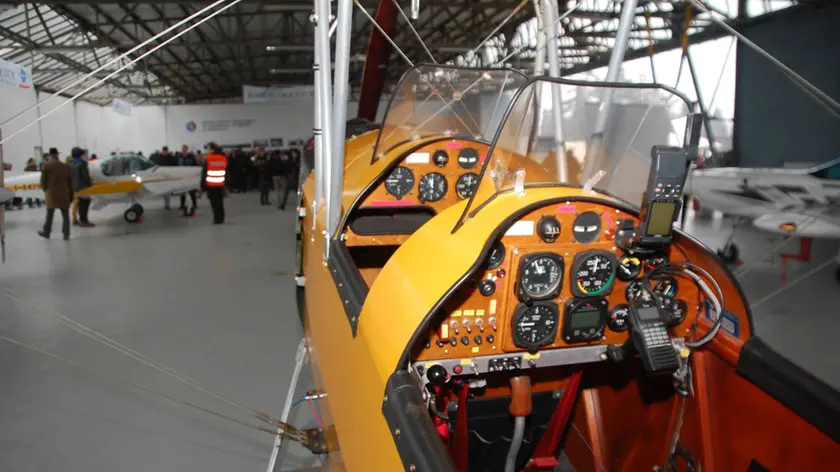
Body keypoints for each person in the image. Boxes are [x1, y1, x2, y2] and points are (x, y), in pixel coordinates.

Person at [37, 148, 73, 240]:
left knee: (49, 215)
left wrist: (46, 190)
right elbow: (70, 182)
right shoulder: (65, 166)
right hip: (64, 193)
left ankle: (46, 232)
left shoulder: (46, 166)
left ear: (49, 155)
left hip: (51, 194)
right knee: (65, 216)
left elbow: (43, 181)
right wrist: (71, 194)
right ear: (57, 155)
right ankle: (66, 234)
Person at [201, 142, 227, 224]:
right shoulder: (223, 158)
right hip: (221, 184)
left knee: (214, 203)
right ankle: (221, 218)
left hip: (211, 185)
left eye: (208, 149)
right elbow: (226, 171)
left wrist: (203, 185)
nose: (207, 151)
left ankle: (216, 219)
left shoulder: (208, 159)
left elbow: (204, 173)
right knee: (220, 202)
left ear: (212, 150)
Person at [70, 147, 95, 227]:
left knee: (79, 203)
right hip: (83, 187)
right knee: (85, 203)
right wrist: (90, 184)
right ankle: (84, 221)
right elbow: (85, 176)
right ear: (81, 154)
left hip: (76, 186)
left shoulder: (72, 163)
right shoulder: (82, 163)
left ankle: (79, 219)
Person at [178, 145, 199, 211]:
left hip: (190, 177)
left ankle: (195, 204)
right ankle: (182, 205)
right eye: (183, 149)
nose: (184, 150)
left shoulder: (191, 156)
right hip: (181, 177)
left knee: (192, 191)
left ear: (187, 149)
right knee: (182, 192)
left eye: (185, 149)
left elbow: (195, 165)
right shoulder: (179, 156)